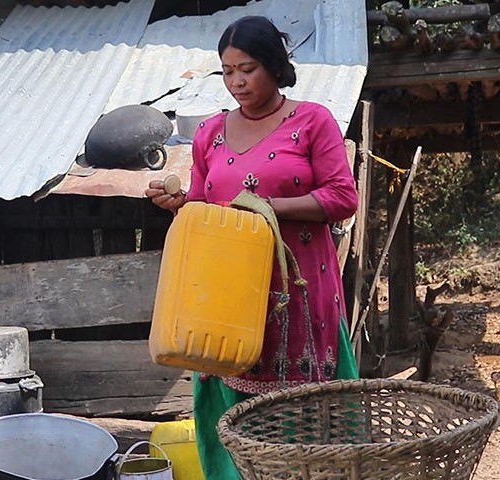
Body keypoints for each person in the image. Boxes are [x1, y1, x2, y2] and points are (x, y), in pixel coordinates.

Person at [144, 15, 360, 480]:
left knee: (307, 434)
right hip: (230, 300)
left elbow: (343, 198)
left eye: (248, 69)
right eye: (228, 71)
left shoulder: (313, 121)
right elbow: (204, 209)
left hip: (298, 296)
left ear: (274, 67)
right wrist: (178, 204)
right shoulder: (210, 134)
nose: (237, 82)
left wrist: (267, 207)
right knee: (235, 430)